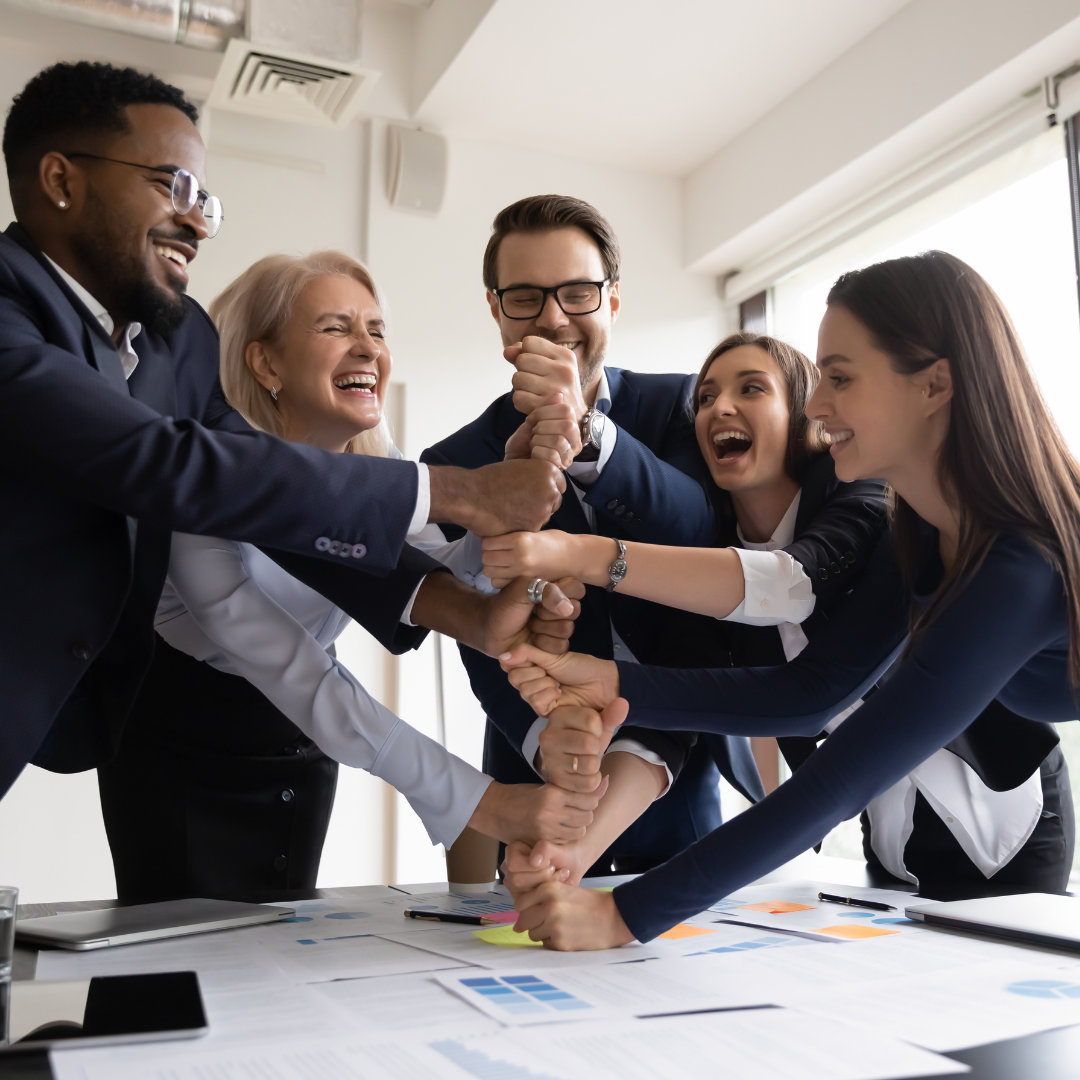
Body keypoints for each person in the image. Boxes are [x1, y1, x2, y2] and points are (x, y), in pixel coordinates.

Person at [0, 61, 566, 808]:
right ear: (61, 180)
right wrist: (463, 492)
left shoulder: (173, 341)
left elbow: (269, 503)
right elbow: (175, 469)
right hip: (161, 740)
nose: (197, 220)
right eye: (171, 185)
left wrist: (469, 608)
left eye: (204, 198)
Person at [500, 250, 1080, 948]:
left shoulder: (1019, 565)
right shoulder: (924, 532)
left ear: (934, 386)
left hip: (1007, 830)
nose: (819, 404)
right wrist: (613, 681)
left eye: (838, 377)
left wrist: (626, 915)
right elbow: (811, 693)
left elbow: (841, 776)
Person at [98, 251, 606, 900]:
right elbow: (289, 665)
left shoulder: (377, 467)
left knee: (281, 965)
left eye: (377, 330)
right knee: (178, 987)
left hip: (303, 744)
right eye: (336, 328)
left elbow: (448, 573)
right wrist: (482, 802)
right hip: (182, 749)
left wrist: (514, 551)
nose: (367, 348)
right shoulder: (205, 482)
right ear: (267, 362)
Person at [421, 194, 760, 876]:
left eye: (577, 292)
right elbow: (477, 631)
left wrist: (586, 434)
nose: (552, 316)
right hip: (534, 775)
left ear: (612, 300)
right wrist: (551, 744)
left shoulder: (683, 405)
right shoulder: (454, 463)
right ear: (497, 312)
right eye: (525, 297)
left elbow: (701, 531)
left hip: (678, 787)